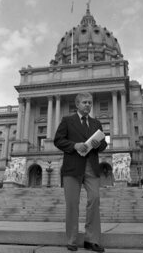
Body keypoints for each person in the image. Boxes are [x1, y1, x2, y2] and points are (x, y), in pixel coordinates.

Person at [54, 92, 107, 252]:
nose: (88, 105)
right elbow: (58, 140)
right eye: (84, 102)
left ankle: (92, 239)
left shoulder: (96, 123)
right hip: (72, 167)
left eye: (90, 103)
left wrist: (99, 144)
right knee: (72, 204)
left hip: (91, 166)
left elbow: (103, 145)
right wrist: (74, 145)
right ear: (77, 104)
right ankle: (72, 239)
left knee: (95, 199)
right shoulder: (67, 121)